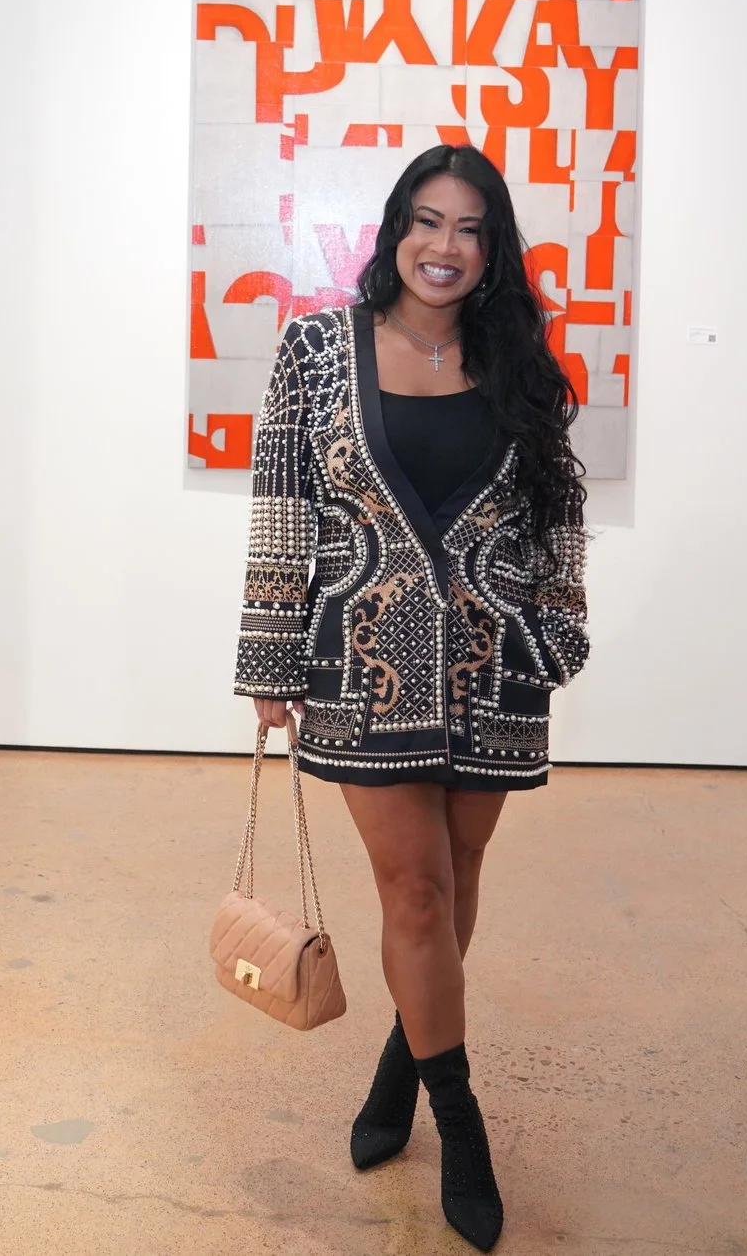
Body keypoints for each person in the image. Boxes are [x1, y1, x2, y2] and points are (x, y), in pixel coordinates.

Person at [232, 144, 591, 1252]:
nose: (445, 245)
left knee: (458, 874)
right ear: (393, 229)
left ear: (491, 250)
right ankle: (461, 1120)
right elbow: (282, 502)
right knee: (419, 893)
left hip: (498, 666)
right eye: (426, 221)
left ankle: (400, 1063)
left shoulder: (519, 356)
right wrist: (268, 661)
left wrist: (564, 621)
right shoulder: (314, 350)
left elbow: (557, 510)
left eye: (470, 227)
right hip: (358, 663)